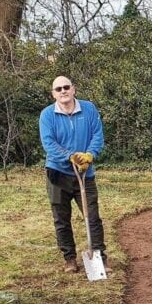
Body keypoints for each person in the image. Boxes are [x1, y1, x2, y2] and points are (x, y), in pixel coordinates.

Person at [39, 75, 106, 273]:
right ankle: (69, 259)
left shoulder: (89, 109)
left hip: (85, 173)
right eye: (58, 89)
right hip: (58, 173)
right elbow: (49, 143)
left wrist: (89, 155)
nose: (63, 91)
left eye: (66, 87)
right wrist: (70, 156)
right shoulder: (47, 115)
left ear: (73, 89)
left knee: (92, 217)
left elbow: (97, 135)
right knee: (61, 219)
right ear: (53, 94)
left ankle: (99, 258)